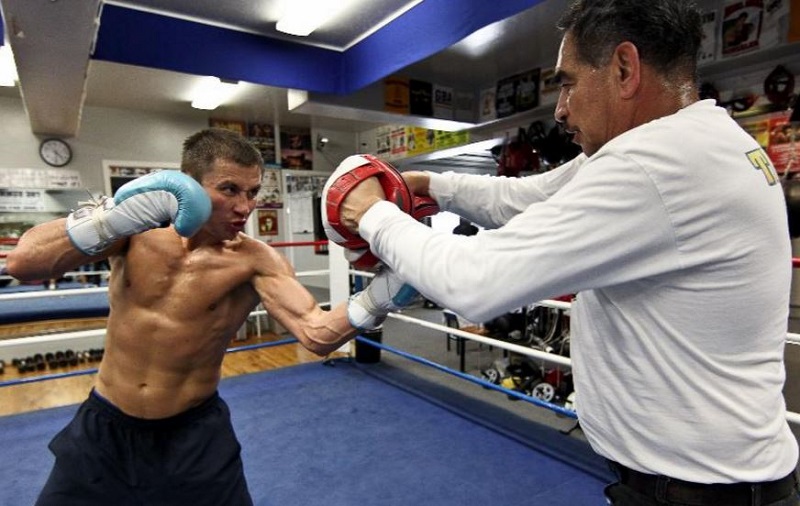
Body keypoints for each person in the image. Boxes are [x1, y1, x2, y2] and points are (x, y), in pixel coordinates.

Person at [336, 1, 800, 504]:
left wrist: (369, 213)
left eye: (568, 82)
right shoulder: (691, 140)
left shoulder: (654, 166)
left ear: (624, 69)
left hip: (698, 490)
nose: (559, 109)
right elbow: (524, 196)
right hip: (692, 481)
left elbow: (473, 281)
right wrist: (426, 184)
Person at [6, 128, 414, 505]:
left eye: (253, 192)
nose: (245, 207)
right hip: (104, 428)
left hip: (194, 437)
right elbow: (24, 262)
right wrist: (113, 216)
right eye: (229, 190)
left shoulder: (255, 261)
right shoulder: (134, 235)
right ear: (189, 185)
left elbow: (316, 333)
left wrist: (380, 297)